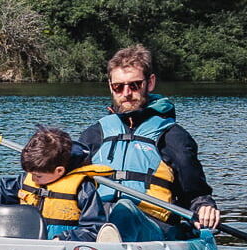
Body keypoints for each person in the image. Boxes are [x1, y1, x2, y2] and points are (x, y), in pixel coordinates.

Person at [79, 44, 219, 237]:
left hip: (154, 228)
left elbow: (195, 192)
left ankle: (106, 245)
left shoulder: (172, 136)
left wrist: (204, 206)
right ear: (110, 86)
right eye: (118, 87)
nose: (126, 93)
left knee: (124, 211)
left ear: (150, 83)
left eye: (134, 85)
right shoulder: (94, 134)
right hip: (97, 222)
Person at [0, 126, 119, 243]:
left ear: (59, 171)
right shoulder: (25, 180)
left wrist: (63, 239)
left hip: (63, 247)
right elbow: (1, 189)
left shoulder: (82, 189)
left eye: (38, 176)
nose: (33, 179)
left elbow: (94, 228)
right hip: (25, 242)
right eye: (30, 173)